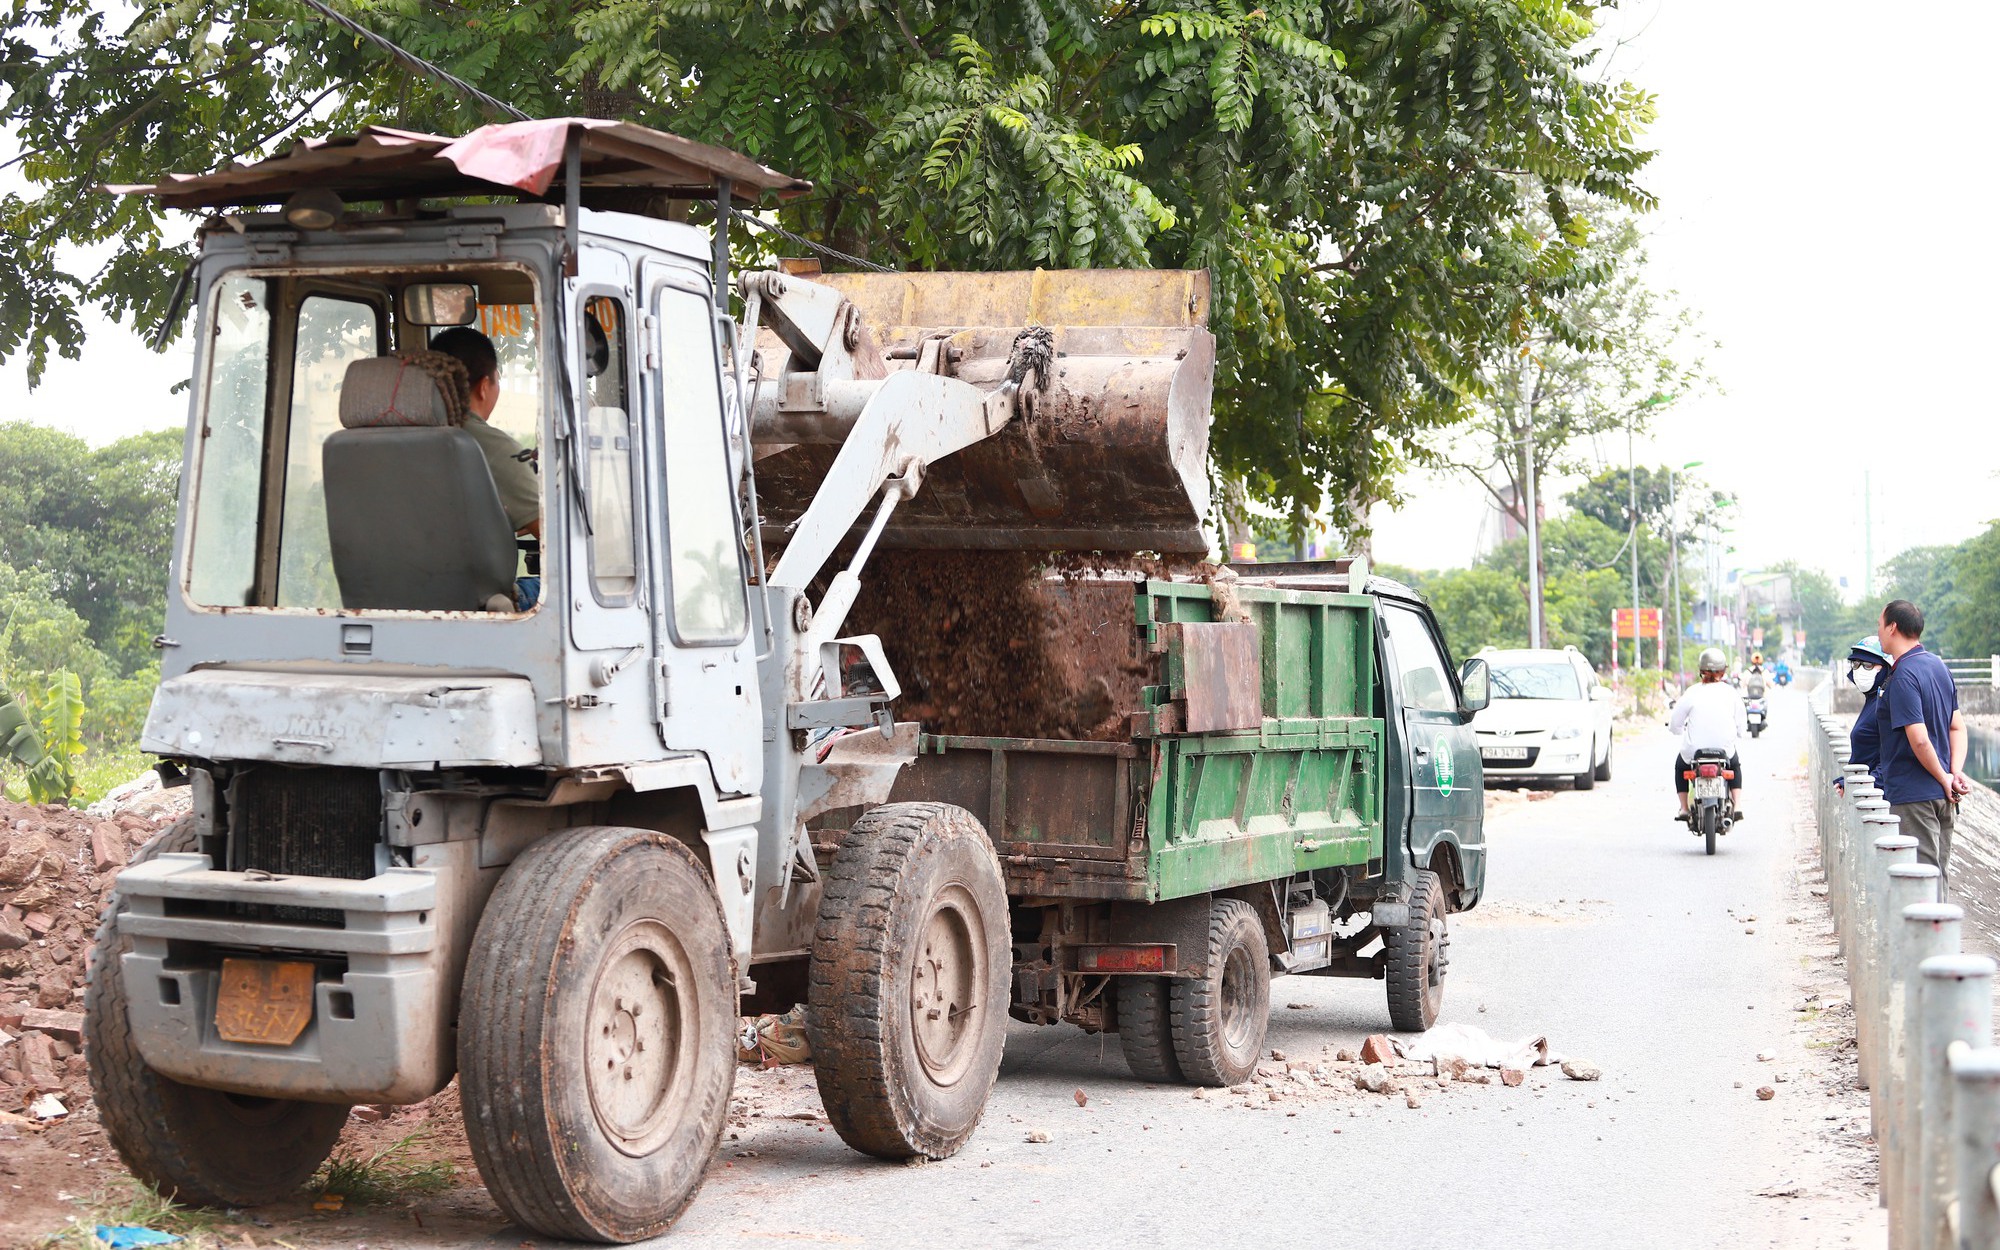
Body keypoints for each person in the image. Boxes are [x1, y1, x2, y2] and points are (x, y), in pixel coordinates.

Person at [428, 327, 541, 609]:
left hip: (391, 603)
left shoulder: (370, 446)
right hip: (477, 606)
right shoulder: (491, 448)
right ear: (484, 386)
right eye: (497, 380)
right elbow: (558, 539)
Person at [1873, 599, 1970, 884]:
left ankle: (1932, 931)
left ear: (1892, 627)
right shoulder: (1938, 666)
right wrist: (1954, 772)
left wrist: (1944, 777)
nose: (1878, 632)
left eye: (1879, 625)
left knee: (1921, 883)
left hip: (1915, 796)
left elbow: (1920, 741)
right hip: (1942, 796)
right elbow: (1957, 727)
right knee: (1938, 876)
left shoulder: (1903, 675)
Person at [1669, 646, 1748, 821]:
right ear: (1723, 671)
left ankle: (1683, 808)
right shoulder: (1731, 693)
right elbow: (1742, 724)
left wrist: (1677, 730)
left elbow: (1675, 722)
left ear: (1700, 670)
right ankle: (1738, 805)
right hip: (1724, 751)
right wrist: (1741, 732)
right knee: (1734, 766)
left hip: (1693, 752)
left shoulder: (1692, 692)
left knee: (1680, 767)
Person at [1835, 636, 1892, 791]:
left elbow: (1890, 759)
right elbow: (1868, 756)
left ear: (1886, 668)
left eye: (1867, 665)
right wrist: (1846, 780)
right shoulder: (1873, 700)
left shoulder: (1887, 704)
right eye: (1856, 664)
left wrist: (1862, 784)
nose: (1859, 670)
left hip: (1879, 799)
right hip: (1865, 790)